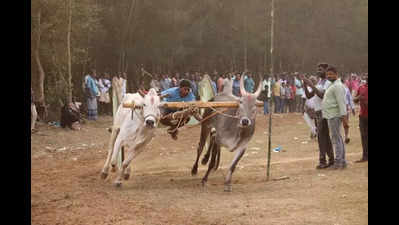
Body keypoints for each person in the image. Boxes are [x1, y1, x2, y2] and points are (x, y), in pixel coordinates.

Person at [302, 69, 335, 169]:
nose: (318, 70)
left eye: (320, 69)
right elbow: (309, 95)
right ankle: (331, 159)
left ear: (325, 70)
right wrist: (305, 84)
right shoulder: (320, 82)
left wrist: (311, 84)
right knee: (324, 137)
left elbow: (321, 95)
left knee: (322, 137)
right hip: (318, 112)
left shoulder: (327, 83)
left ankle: (323, 161)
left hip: (323, 112)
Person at [321, 66, 348, 170]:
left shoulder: (338, 86)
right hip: (331, 115)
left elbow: (341, 103)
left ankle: (338, 163)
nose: (329, 76)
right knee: (338, 138)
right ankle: (342, 162)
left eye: (331, 74)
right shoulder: (332, 85)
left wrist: (344, 118)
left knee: (336, 139)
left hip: (334, 116)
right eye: (328, 74)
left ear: (336, 74)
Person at [353, 77, 368, 162]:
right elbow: (354, 100)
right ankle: (365, 156)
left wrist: (364, 101)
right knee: (364, 136)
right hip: (362, 116)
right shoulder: (361, 87)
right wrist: (358, 98)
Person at [342, 78, 356, 144]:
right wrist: (352, 108)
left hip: (345, 107)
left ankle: (346, 137)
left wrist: (353, 108)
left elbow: (350, 99)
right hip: (341, 107)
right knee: (345, 123)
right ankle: (345, 136)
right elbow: (350, 99)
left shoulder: (346, 89)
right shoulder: (345, 88)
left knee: (345, 123)